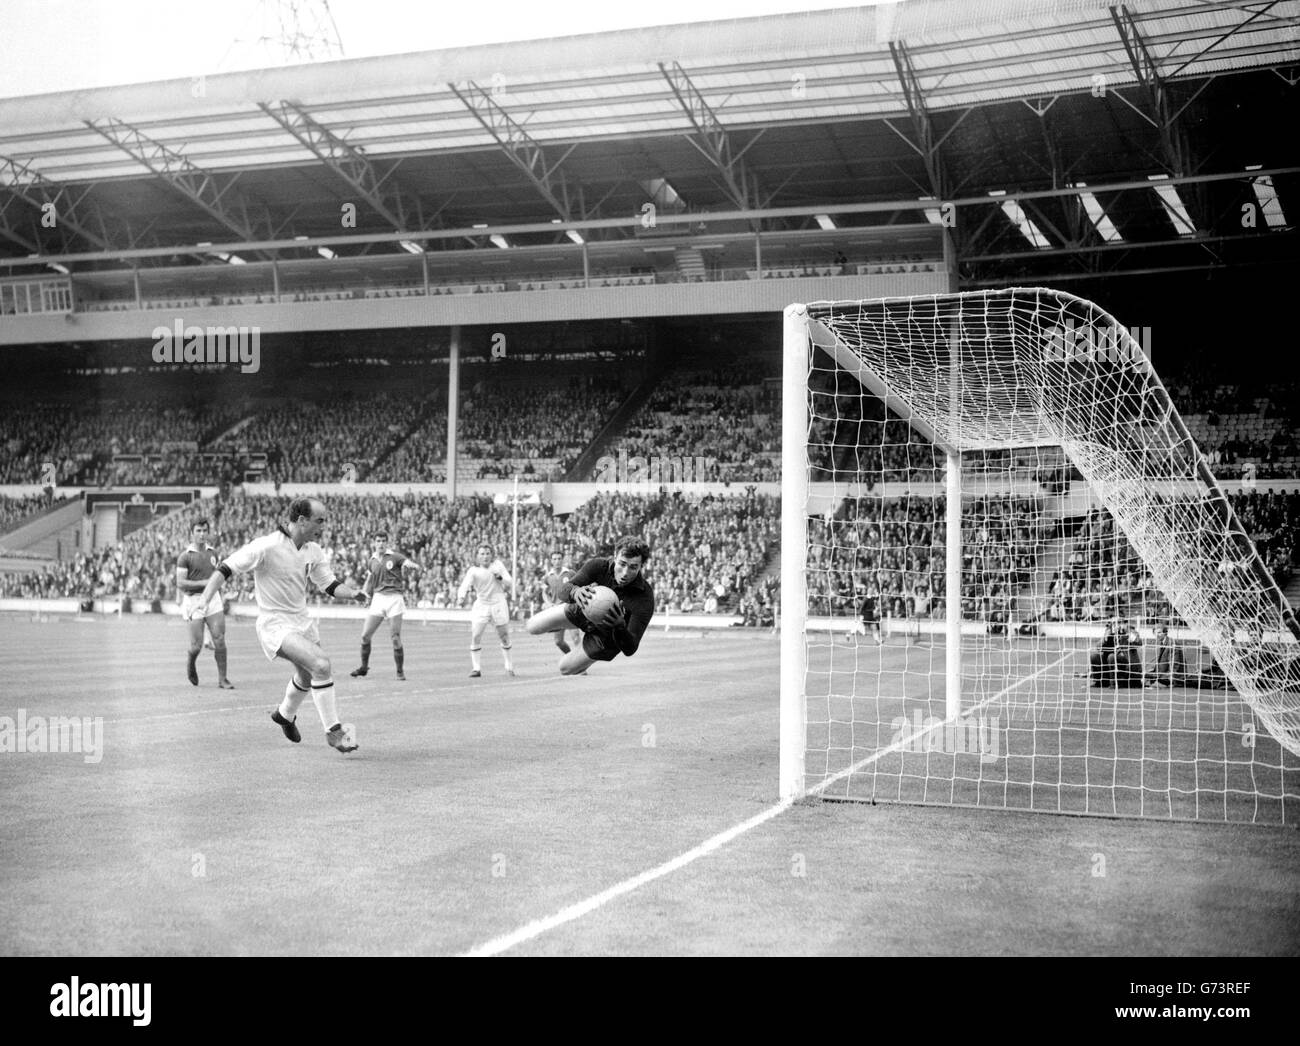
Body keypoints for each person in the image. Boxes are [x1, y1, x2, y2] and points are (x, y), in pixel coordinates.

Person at [198, 497, 368, 754]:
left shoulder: (313, 550)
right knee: (321, 664)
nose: (323, 526)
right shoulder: (266, 546)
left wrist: (353, 594)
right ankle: (334, 732)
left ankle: (284, 715)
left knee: (306, 675)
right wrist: (205, 598)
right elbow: (226, 568)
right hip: (275, 625)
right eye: (319, 521)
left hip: (303, 622)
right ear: (301, 520)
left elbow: (330, 586)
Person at [526, 536, 654, 676]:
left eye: (633, 567)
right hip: (583, 610)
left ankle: (582, 659)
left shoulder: (644, 598)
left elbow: (630, 649)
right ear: (615, 556)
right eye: (622, 564)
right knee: (532, 626)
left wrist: (620, 627)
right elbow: (564, 590)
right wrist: (575, 592)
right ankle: (561, 626)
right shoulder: (599, 566)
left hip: (606, 638)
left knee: (564, 668)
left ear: (641, 566)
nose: (625, 573)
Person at [350, 530, 424, 680]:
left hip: (394, 599)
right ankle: (364, 668)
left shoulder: (394, 556)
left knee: (395, 637)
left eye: (383, 540)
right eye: (378, 541)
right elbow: (370, 580)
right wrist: (365, 594)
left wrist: (413, 566)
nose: (381, 543)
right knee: (365, 636)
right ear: (374, 543)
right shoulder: (371, 561)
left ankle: (400, 672)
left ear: (387, 542)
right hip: (378, 599)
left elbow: (406, 562)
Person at [175, 518, 234, 689]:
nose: (202, 534)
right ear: (192, 533)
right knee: (197, 646)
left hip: (212, 599)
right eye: (198, 531)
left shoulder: (213, 554)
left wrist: (216, 589)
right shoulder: (184, 557)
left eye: (204, 531)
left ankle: (222, 679)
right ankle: (191, 661)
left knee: (220, 639)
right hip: (194, 601)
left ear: (208, 532)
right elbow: (181, 583)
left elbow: (217, 578)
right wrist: (205, 583)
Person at [457, 544, 515, 678]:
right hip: (482, 604)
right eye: (482, 554)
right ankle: (476, 668)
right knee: (476, 635)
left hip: (498, 603)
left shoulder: (498, 565)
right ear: (477, 556)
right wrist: (461, 597)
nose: (485, 556)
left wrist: (500, 577)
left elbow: (509, 581)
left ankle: (509, 666)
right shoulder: (473, 570)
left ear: (492, 554)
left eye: (488, 553)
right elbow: (465, 584)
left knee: (504, 636)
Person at [540, 549, 582, 661]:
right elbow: (544, 592)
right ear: (551, 561)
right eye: (554, 559)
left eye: (559, 558)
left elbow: (579, 586)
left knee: (576, 637)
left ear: (562, 559)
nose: (557, 561)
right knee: (558, 642)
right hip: (557, 612)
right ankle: (571, 658)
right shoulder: (548, 576)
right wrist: (548, 603)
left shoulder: (570, 573)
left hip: (570, 608)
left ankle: (580, 664)